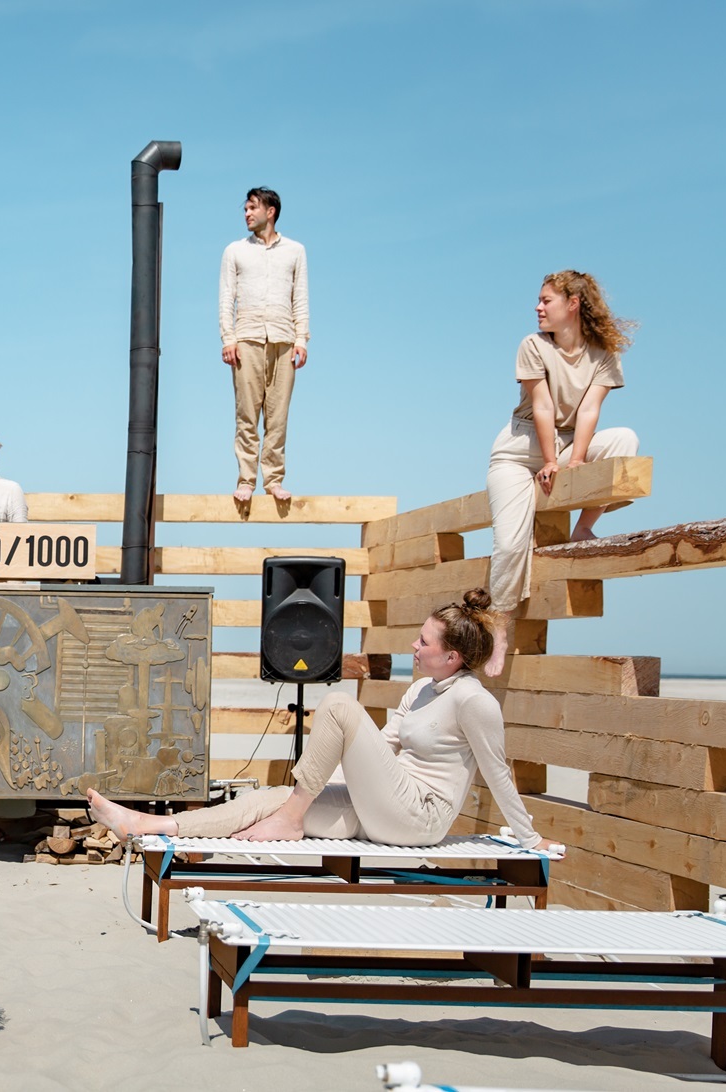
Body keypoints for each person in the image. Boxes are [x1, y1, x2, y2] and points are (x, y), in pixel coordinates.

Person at [88, 590, 555, 852]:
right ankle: (148, 825)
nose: (414, 647)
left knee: (338, 706)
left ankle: (290, 819)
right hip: (381, 806)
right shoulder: (421, 690)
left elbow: (498, 773)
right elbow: (383, 748)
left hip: (419, 818)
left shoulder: (474, 701)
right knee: (268, 798)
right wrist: (308, 791)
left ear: (452, 656)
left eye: (424, 642)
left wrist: (531, 838)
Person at [483, 271, 637, 676]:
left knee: (625, 441)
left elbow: (589, 410)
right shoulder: (533, 345)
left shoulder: (604, 352)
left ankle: (584, 527)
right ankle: (501, 630)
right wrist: (552, 460)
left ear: (572, 304)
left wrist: (575, 462)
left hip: (568, 443)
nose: (537, 307)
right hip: (520, 449)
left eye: (545, 300)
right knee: (512, 543)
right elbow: (543, 406)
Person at [219, 187, 309, 503]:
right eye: (245, 208)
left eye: (252, 208)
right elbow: (226, 296)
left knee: (278, 415)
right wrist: (228, 339)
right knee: (247, 414)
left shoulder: (296, 251)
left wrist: (302, 339)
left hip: (284, 339)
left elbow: (300, 297)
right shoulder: (234, 251)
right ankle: (246, 479)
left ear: (270, 211)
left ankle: (273, 480)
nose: (246, 213)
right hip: (247, 339)